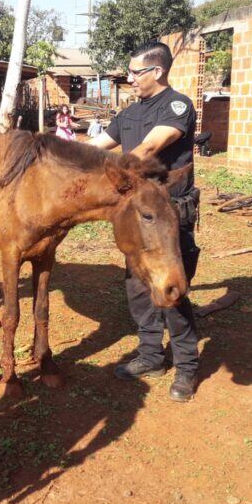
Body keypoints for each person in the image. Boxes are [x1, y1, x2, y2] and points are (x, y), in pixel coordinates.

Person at [90, 41, 201, 402]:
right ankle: (151, 356)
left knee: (171, 295)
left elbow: (151, 148)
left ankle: (187, 368)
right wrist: (63, 155)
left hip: (169, 219)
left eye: (135, 72)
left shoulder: (177, 105)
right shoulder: (130, 113)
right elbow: (98, 146)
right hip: (137, 219)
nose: (130, 78)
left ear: (157, 72)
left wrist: (115, 172)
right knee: (138, 292)